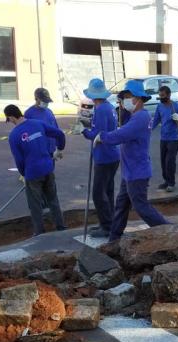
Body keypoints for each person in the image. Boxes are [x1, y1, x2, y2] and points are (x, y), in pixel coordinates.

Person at [93, 80, 170, 242]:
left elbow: (121, 134)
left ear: (139, 98)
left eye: (129, 97)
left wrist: (103, 136)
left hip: (137, 172)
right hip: (129, 171)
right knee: (121, 206)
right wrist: (122, 109)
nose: (126, 100)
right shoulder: (135, 115)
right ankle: (114, 239)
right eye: (124, 97)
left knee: (141, 206)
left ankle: (169, 230)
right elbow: (123, 126)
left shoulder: (141, 117)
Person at [4, 104, 67, 236]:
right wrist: (59, 149)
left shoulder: (14, 135)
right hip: (48, 167)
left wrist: (24, 174)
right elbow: (60, 134)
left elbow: (19, 160)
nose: (10, 122)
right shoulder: (38, 124)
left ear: (11, 117)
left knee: (35, 205)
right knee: (53, 200)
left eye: (8, 120)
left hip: (32, 173)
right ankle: (61, 227)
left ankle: (39, 233)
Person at [81, 78, 121, 238]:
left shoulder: (101, 110)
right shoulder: (108, 107)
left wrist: (83, 131)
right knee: (108, 191)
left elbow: (98, 134)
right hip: (111, 154)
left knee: (98, 193)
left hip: (104, 156)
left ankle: (107, 226)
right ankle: (109, 222)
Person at [152, 85, 178, 192]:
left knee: (170, 162)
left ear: (169, 95)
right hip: (163, 138)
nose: (161, 98)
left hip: (173, 139)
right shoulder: (159, 107)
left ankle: (171, 183)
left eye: (163, 96)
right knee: (163, 161)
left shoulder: (176, 107)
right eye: (160, 96)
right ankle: (166, 181)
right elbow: (155, 121)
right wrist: (147, 130)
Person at [24, 88, 60, 161]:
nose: (46, 103)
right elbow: (25, 135)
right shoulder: (29, 114)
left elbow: (56, 130)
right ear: (36, 99)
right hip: (38, 153)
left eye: (47, 101)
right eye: (44, 101)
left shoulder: (49, 112)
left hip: (51, 151)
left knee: (50, 171)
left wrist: (58, 149)